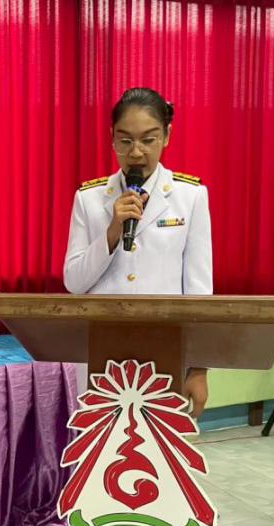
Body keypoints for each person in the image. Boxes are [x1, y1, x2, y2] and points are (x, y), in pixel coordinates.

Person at [63, 87, 212, 416]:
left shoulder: (190, 197)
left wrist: (199, 368)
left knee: (158, 446)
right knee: (103, 446)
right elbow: (74, 282)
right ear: (112, 138)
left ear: (167, 136)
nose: (136, 152)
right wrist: (112, 232)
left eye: (148, 139)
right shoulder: (89, 199)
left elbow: (200, 292)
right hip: (102, 355)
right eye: (125, 140)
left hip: (165, 352)